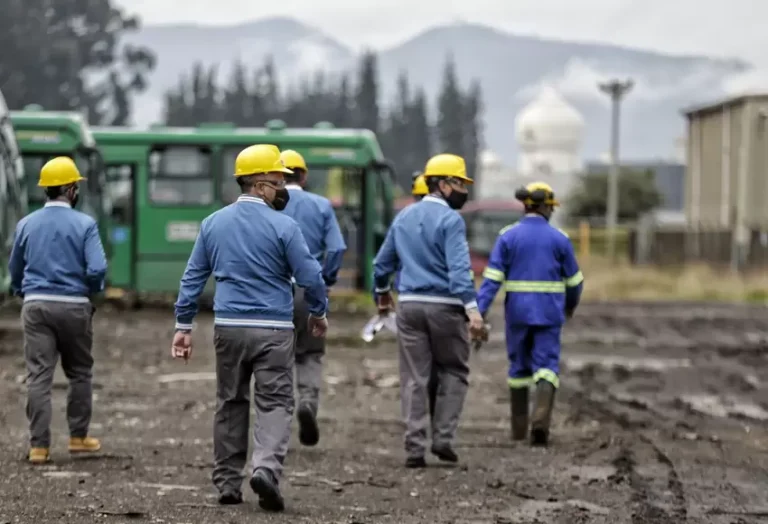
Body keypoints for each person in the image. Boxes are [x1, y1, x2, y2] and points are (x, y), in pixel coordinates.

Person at [172, 144, 329, 512]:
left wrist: (183, 325)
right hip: (274, 329)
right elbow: (311, 276)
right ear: (259, 185)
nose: (283, 189)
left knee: (229, 401)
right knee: (275, 402)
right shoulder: (285, 227)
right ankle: (265, 469)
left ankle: (228, 483)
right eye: (277, 181)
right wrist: (319, 311)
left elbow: (193, 277)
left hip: (228, 328)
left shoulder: (213, 223)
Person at [373, 153, 486, 468]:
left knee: (414, 376)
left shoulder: (404, 217)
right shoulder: (451, 220)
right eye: (461, 183)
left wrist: (382, 296)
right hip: (446, 307)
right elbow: (460, 271)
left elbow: (382, 265)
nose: (464, 190)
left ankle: (414, 447)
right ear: (445, 184)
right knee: (454, 370)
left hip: (409, 307)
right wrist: (473, 310)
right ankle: (444, 439)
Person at [9, 156, 107, 464]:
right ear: (68, 189)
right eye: (75, 186)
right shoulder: (85, 224)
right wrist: (93, 289)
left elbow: (15, 267)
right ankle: (78, 438)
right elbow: (98, 267)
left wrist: (20, 289)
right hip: (75, 305)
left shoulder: (26, 223)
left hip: (36, 305)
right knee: (79, 372)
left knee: (39, 376)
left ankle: (39, 446)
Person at [476, 182, 583, 446]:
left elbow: (491, 281)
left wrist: (479, 313)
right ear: (546, 207)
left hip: (518, 314)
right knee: (546, 367)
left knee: (518, 369)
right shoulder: (560, 239)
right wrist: (570, 306)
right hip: (549, 314)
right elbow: (575, 282)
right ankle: (541, 422)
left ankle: (518, 428)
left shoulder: (507, 237)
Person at [279, 149, 346, 447]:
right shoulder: (321, 206)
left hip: (275, 293)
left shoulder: (270, 205)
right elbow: (337, 248)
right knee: (310, 355)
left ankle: (277, 421)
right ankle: (307, 401)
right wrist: (325, 280)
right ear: (304, 176)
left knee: (276, 357)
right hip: (309, 292)